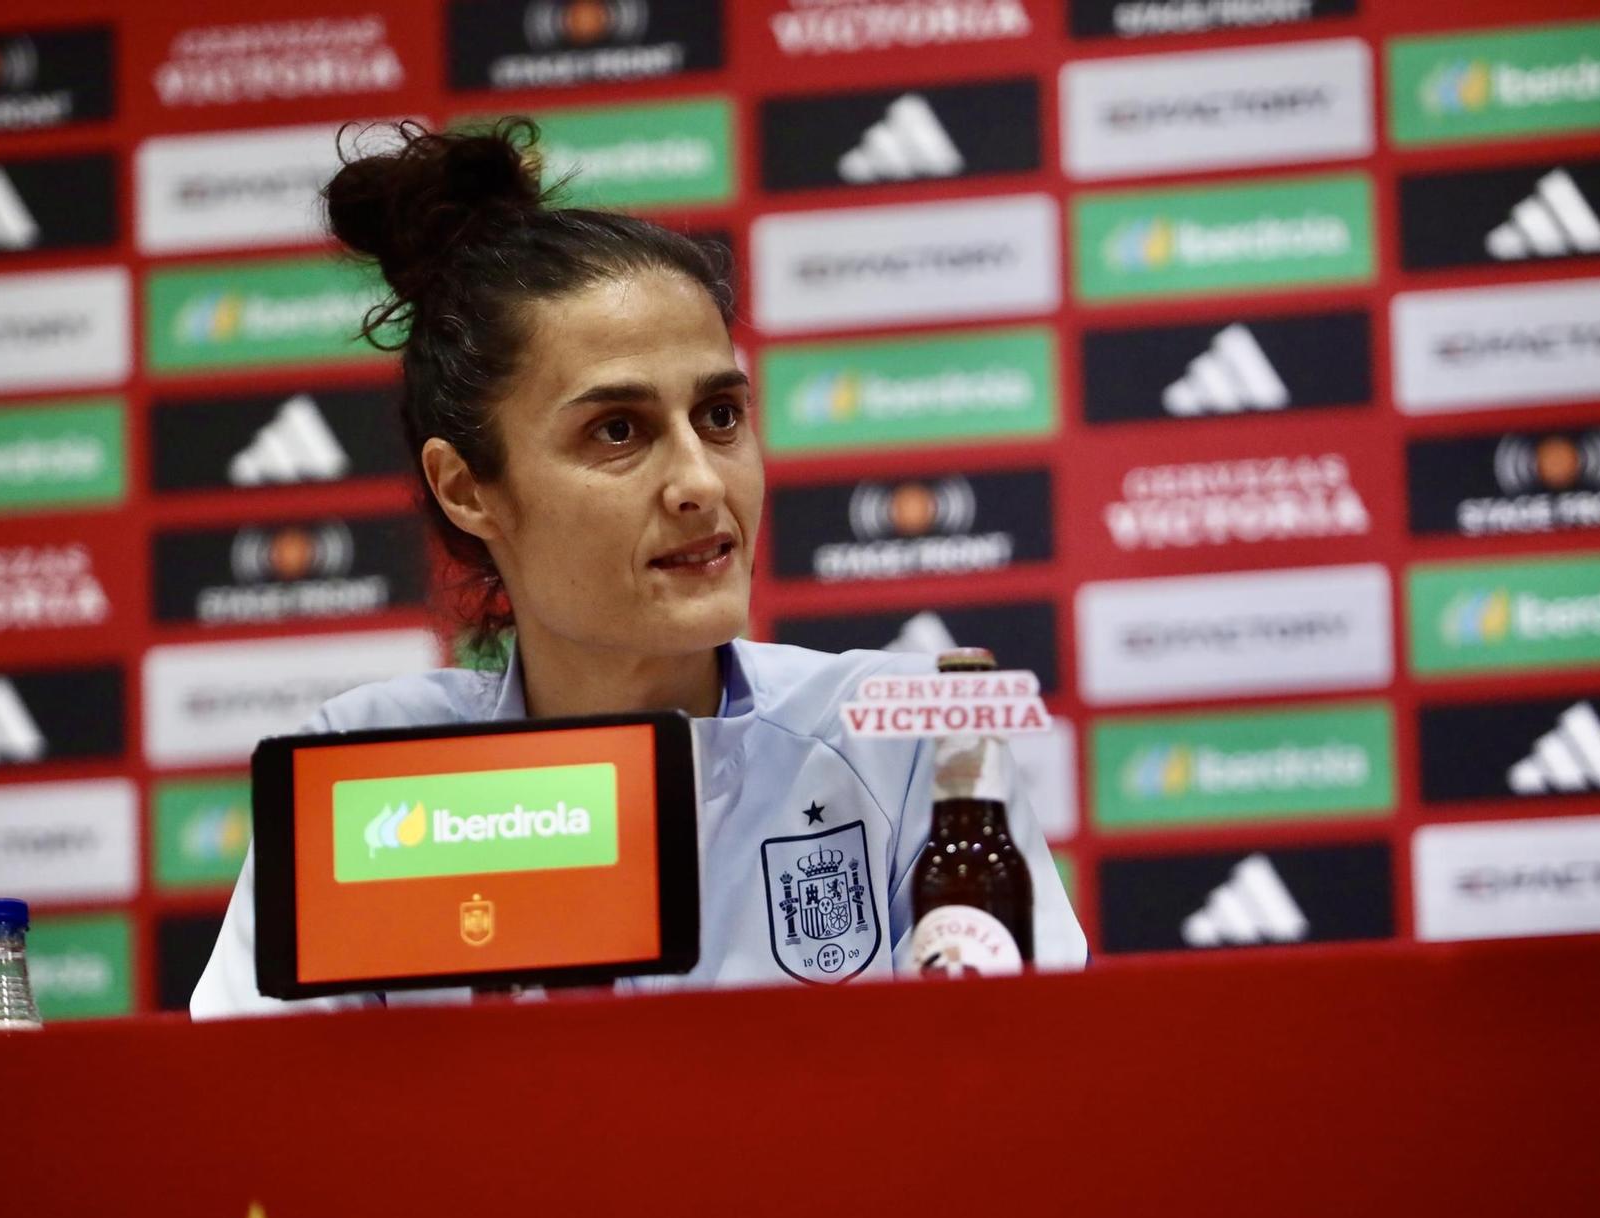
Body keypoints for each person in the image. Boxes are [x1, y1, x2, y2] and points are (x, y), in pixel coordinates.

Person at [189, 120, 1087, 1018]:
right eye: (618, 430)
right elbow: (265, 1129)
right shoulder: (368, 773)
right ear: (466, 488)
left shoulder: (906, 742)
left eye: (722, 416)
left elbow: (1017, 1097)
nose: (701, 481)